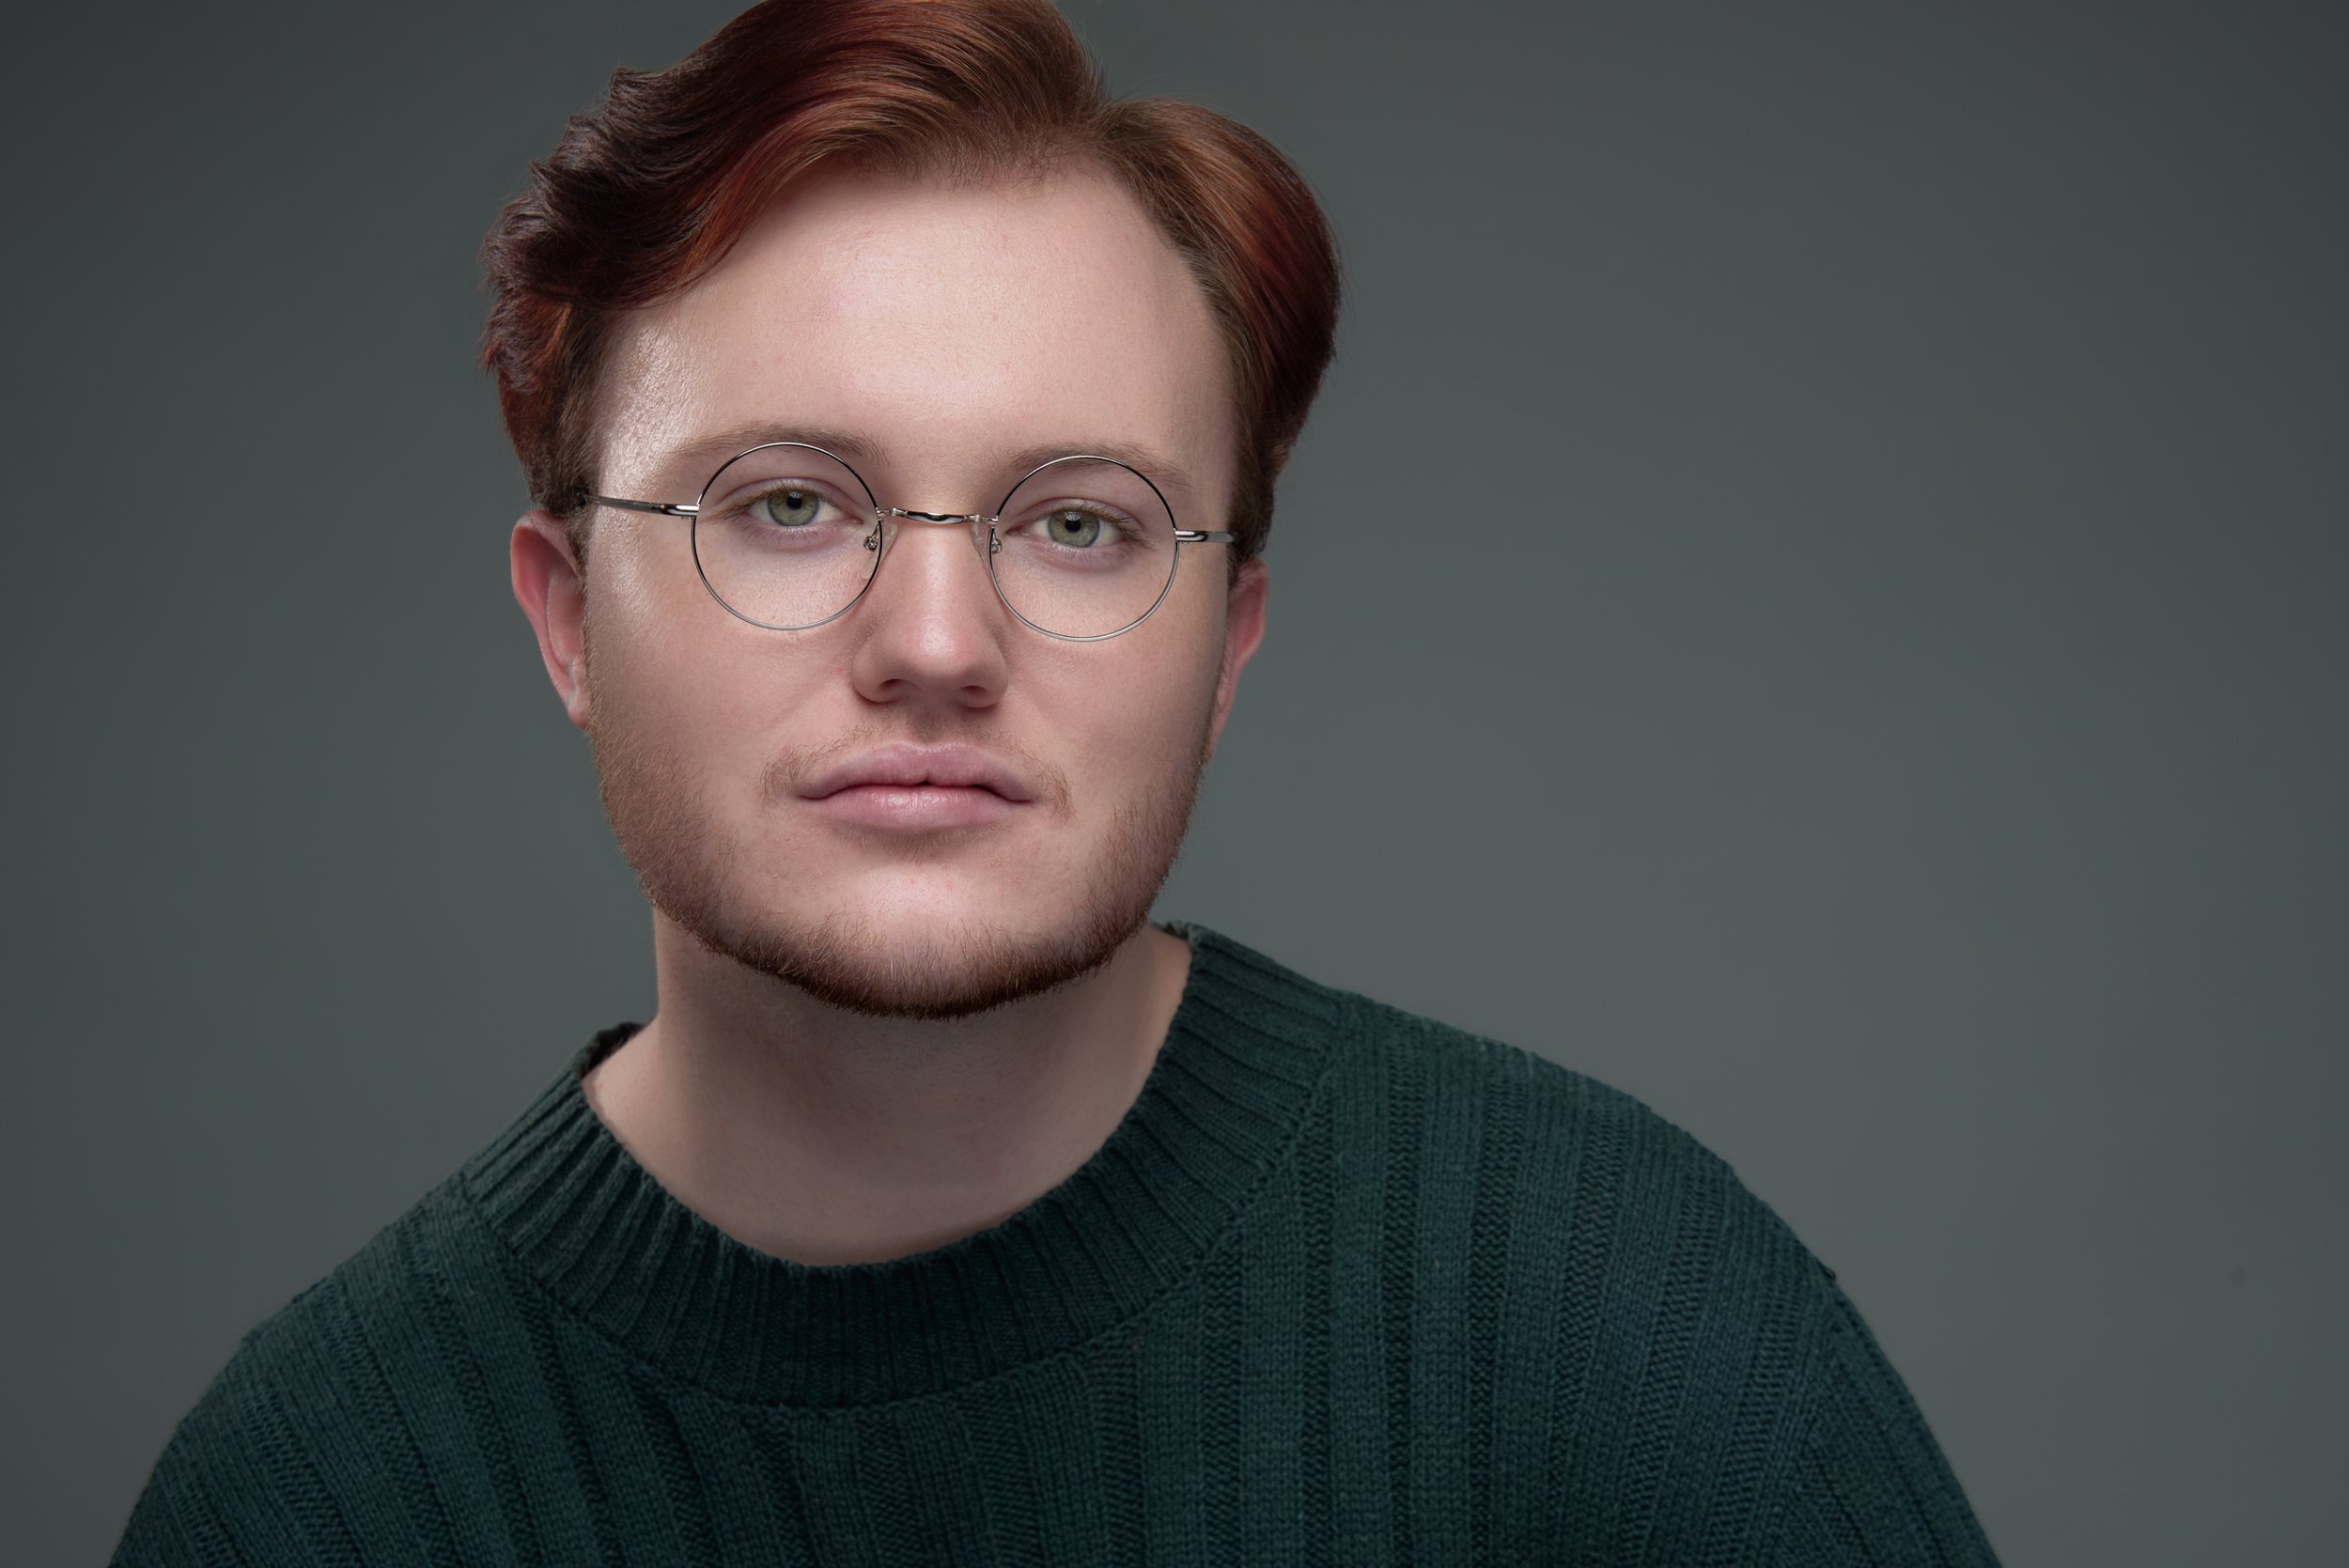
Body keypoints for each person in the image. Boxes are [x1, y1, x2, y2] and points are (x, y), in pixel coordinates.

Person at [111, 1, 1999, 1561]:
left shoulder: (1624, 1327)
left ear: (1224, 648)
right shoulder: (312, 1502)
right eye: (785, 503)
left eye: (1079, 523)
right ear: (567, 618)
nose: (935, 639)